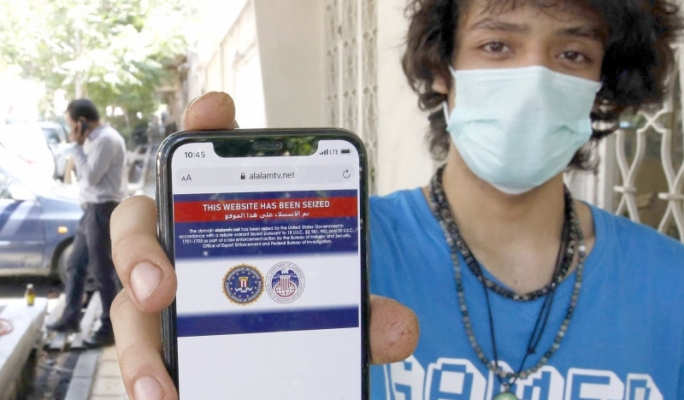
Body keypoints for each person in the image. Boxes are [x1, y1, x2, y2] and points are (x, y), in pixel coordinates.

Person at [108, 0, 684, 399]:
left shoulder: (671, 284)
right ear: (442, 69)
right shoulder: (332, 253)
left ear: (603, 82)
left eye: (573, 54)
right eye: (497, 44)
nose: (533, 80)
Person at [47, 99, 127, 349]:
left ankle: (110, 328)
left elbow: (91, 177)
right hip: (91, 210)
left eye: (71, 124)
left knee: (102, 271)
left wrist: (77, 147)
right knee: (75, 264)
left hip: (103, 210)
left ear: (81, 122)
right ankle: (70, 317)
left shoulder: (105, 140)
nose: (70, 130)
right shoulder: (96, 139)